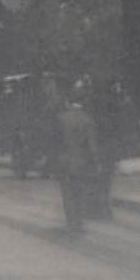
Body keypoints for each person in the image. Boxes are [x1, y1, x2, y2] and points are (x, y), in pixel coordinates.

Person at [53, 88, 101, 233]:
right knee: (80, 192)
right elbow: (92, 145)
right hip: (82, 162)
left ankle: (71, 222)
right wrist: (95, 162)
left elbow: (56, 142)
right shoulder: (88, 119)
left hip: (65, 161)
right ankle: (79, 222)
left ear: (68, 102)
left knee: (67, 194)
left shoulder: (61, 118)